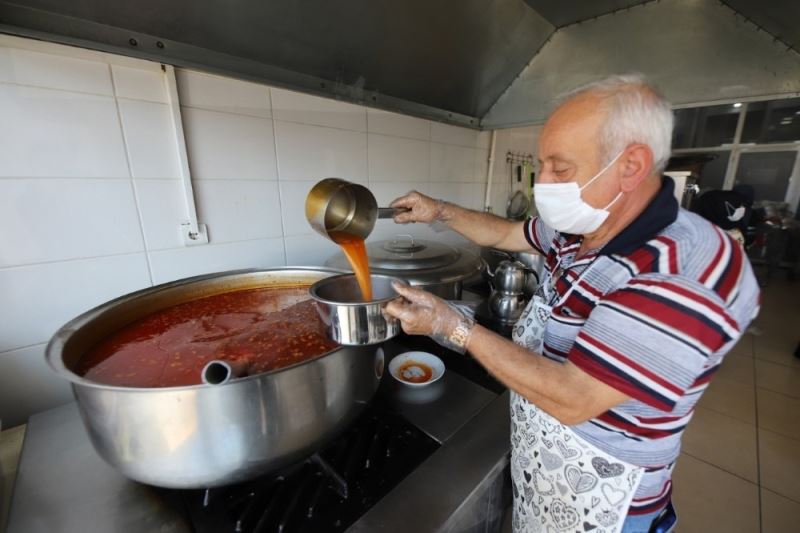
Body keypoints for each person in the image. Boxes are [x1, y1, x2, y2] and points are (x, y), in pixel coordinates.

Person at [384, 74, 760, 533]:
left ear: (631, 166)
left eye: (560, 170)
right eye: (542, 165)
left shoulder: (685, 269)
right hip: (546, 472)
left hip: (605, 505)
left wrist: (450, 325)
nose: (543, 184)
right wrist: (440, 210)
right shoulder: (582, 227)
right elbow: (507, 233)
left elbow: (574, 398)